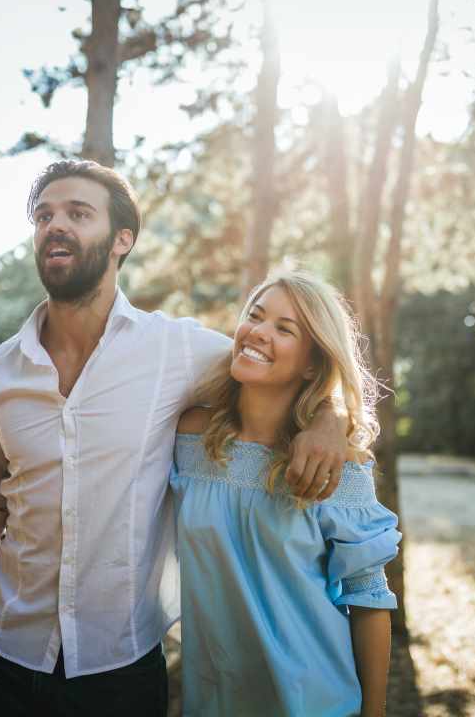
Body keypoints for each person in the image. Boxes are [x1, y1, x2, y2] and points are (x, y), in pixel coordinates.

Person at [0, 161, 350, 717]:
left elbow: (278, 366)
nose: (55, 225)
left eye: (78, 214)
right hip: (0, 658)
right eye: (44, 216)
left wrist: (328, 417)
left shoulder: (174, 350)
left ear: (122, 239)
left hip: (121, 674)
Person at [171, 269, 401, 716]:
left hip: (314, 701)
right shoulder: (188, 437)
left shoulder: (336, 463)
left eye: (284, 328)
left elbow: (368, 596)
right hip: (214, 699)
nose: (259, 332)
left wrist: (374, 713)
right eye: (255, 316)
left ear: (312, 363)